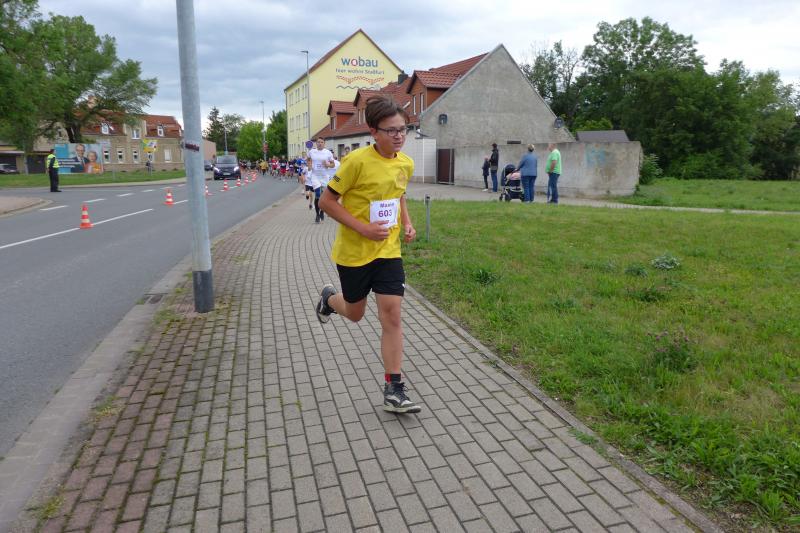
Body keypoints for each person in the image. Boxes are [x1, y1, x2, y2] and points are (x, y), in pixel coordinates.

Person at [315, 95, 421, 414]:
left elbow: (398, 194)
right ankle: (329, 300)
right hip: (354, 253)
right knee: (355, 313)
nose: (399, 136)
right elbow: (326, 202)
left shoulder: (405, 163)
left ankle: (394, 388)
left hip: (388, 251)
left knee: (392, 315)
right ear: (374, 131)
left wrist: (407, 222)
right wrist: (363, 228)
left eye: (403, 129)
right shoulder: (356, 162)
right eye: (391, 130)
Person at [307, 137, 335, 222]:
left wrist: (328, 165)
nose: (320, 143)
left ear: (324, 143)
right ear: (316, 143)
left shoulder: (328, 152)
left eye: (322, 142)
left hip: (324, 176)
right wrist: (309, 165)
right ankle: (317, 215)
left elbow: (333, 164)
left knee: (323, 196)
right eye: (318, 142)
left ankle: (322, 211)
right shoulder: (312, 152)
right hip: (315, 176)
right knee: (318, 194)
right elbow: (308, 159)